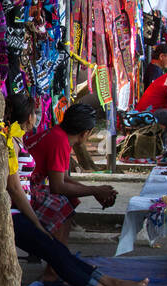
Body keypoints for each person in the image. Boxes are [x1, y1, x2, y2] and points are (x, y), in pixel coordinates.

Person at [0, 95, 148, 286]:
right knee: (55, 251)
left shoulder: (14, 138)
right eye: (35, 113)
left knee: (58, 251)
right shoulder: (8, 142)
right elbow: (14, 188)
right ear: (29, 117)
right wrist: (37, 222)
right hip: (4, 215)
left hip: (12, 212)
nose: (37, 118)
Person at [27, 103, 117, 254]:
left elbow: (60, 177)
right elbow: (58, 186)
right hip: (23, 190)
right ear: (85, 133)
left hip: (26, 184)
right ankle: (56, 265)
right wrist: (94, 190)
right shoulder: (60, 141)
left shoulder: (58, 134)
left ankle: (62, 256)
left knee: (69, 200)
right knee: (62, 205)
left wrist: (95, 191)